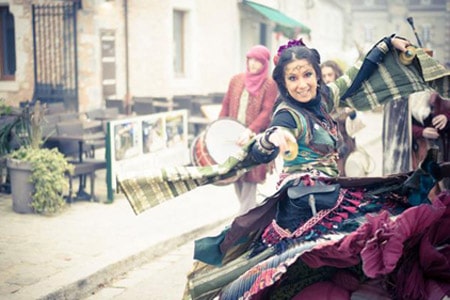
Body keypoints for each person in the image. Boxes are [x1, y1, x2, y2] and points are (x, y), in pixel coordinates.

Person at [182, 36, 450, 299]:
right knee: (296, 275)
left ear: (317, 75)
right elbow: (270, 137)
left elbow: (356, 75)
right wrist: (272, 138)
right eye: (293, 78)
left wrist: (387, 45)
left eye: (307, 75)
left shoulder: (323, 98)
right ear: (284, 84)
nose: (302, 85)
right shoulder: (287, 113)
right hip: (301, 207)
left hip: (331, 195)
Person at [218, 45, 278, 215]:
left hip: (253, 140)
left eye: (257, 61)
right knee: (236, 177)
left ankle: (244, 224)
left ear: (264, 64)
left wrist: (250, 131)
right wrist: (219, 127)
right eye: (250, 59)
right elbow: (226, 104)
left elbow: (267, 112)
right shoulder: (236, 80)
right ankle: (254, 217)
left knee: (250, 178)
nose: (252, 64)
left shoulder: (269, 84)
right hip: (233, 139)